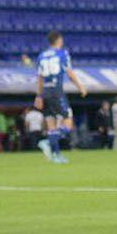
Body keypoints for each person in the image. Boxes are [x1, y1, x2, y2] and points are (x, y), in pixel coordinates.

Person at [34, 31, 86, 164]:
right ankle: (48, 142)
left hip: (45, 91)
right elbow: (69, 72)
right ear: (58, 40)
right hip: (57, 91)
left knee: (51, 124)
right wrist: (80, 86)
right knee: (68, 122)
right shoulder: (62, 54)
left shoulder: (41, 56)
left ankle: (56, 156)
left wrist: (38, 96)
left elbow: (39, 78)